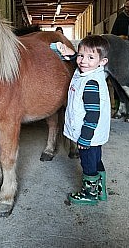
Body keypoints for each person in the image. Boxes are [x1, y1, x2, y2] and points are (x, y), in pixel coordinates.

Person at [50, 35, 110, 205]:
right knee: (96, 159)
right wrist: (62, 49)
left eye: (91, 58)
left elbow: (92, 114)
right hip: (96, 136)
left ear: (102, 61)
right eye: (81, 55)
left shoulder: (90, 82)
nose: (83, 61)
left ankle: (90, 194)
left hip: (88, 135)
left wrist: (84, 138)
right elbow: (76, 57)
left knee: (88, 163)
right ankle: (101, 190)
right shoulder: (90, 71)